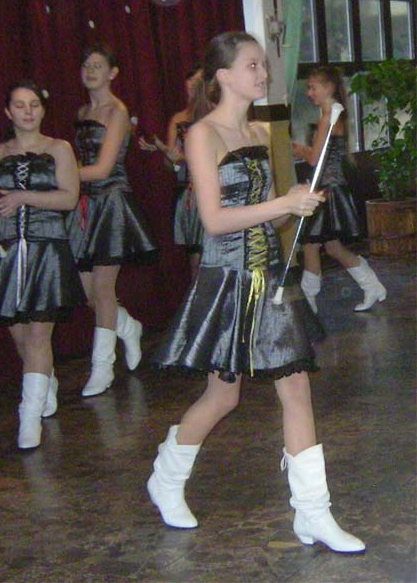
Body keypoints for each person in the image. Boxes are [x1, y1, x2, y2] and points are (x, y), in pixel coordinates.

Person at [148, 31, 365, 554]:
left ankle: (312, 513)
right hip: (227, 277)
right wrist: (282, 204)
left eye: (262, 65)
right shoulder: (202, 134)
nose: (262, 73)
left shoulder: (256, 130)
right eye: (252, 65)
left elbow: (265, 209)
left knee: (296, 387)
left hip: (270, 273)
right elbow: (214, 220)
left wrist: (294, 201)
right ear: (223, 75)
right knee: (223, 396)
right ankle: (166, 477)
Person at [0, 80, 83, 450]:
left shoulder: (59, 148)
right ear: (7, 111)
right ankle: (44, 381)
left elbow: (69, 199)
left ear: (43, 109)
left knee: (37, 336)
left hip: (47, 249)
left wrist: (24, 196)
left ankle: (28, 418)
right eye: (19, 105)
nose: (28, 111)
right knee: (20, 338)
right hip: (9, 251)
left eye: (34, 104)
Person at [66, 43, 158, 398]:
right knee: (89, 292)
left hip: (112, 201)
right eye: (86, 65)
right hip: (85, 203)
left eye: (98, 65)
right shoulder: (82, 111)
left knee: (104, 289)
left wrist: (62, 176)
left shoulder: (117, 111)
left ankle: (102, 367)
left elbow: (104, 168)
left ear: (112, 72)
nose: (91, 71)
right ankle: (128, 326)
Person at [292, 66, 386, 313]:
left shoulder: (329, 118)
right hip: (328, 187)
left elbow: (315, 159)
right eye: (308, 88)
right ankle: (371, 285)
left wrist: (299, 149)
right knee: (331, 247)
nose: (309, 93)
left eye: (313, 87)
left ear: (329, 87)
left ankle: (309, 301)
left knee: (311, 244)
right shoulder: (331, 115)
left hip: (328, 190)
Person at [139, 65, 208, 278]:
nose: (193, 86)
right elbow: (171, 165)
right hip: (188, 194)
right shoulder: (178, 119)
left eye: (198, 81)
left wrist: (183, 158)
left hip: (211, 189)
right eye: (190, 81)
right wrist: (167, 155)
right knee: (195, 258)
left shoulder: (214, 117)